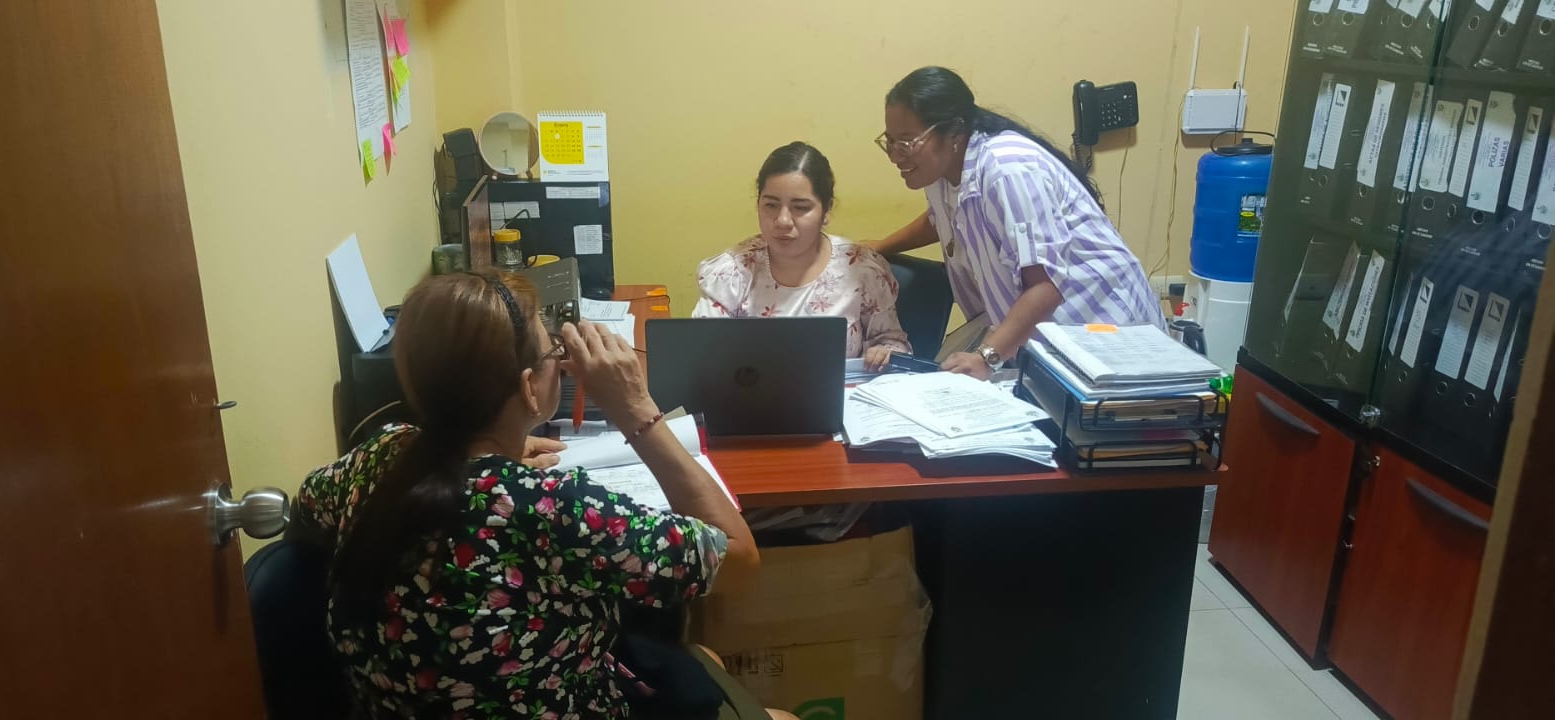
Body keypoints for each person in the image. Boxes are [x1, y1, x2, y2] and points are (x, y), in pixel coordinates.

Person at [289, 271, 795, 720]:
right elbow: (738, 560)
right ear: (530, 388)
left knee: (700, 661)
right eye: (553, 350)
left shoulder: (375, 458)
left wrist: (493, 462)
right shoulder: (551, 510)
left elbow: (307, 504)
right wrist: (637, 410)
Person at [868, 66, 1163, 380]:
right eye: (890, 142)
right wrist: (879, 247)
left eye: (907, 142)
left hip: (1104, 332)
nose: (895, 156)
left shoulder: (1007, 169)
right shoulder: (941, 172)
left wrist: (987, 357)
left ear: (954, 131)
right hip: (1045, 341)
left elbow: (1046, 286)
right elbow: (943, 219)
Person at [695, 141, 911, 371]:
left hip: (841, 392)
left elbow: (893, 343)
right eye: (771, 205)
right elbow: (702, 351)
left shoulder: (860, 269)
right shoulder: (732, 272)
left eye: (800, 208)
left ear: (826, 210)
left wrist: (884, 353)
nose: (783, 221)